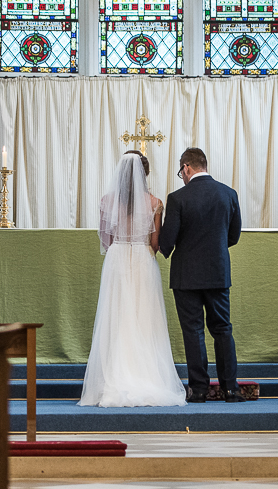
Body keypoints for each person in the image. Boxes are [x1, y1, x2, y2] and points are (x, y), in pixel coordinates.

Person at [78, 150, 187, 408]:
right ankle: (146, 375)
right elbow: (155, 243)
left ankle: (111, 378)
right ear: (144, 174)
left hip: (117, 260)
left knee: (116, 317)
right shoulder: (155, 203)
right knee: (143, 319)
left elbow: (106, 240)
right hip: (142, 260)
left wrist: (121, 246)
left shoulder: (106, 201)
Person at [157, 147, 244, 402]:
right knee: (223, 329)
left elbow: (166, 243)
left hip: (186, 276)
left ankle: (199, 390)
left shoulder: (178, 198)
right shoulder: (229, 194)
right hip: (217, 272)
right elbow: (234, 236)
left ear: (186, 168)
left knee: (193, 331)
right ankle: (231, 388)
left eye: (180, 172)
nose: (181, 177)